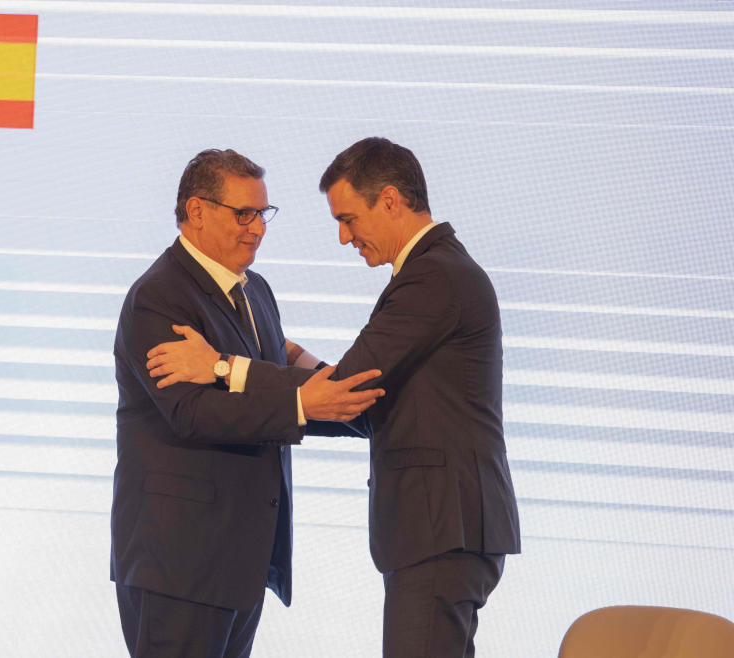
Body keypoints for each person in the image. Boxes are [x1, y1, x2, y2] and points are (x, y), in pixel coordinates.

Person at [145, 137, 521, 657]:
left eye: (349, 219)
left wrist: (219, 366)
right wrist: (300, 366)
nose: (345, 237)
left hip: (443, 528)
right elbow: (359, 402)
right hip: (441, 531)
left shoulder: (434, 275)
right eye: (244, 213)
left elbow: (349, 387)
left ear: (389, 200)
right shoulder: (437, 270)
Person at [111, 147, 384, 657]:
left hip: (240, 562)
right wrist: (307, 404)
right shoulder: (159, 297)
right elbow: (192, 413)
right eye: (244, 214)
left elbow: (267, 382)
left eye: (263, 214)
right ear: (196, 212)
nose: (257, 228)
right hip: (180, 566)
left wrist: (346, 402)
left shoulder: (256, 291)